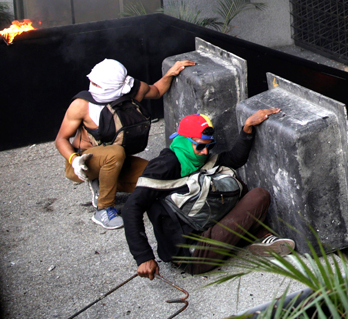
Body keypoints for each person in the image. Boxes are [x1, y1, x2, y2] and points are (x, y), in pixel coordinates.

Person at [124, 111, 295, 278]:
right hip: (193, 254)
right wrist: (144, 257)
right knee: (259, 196)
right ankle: (258, 235)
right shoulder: (164, 166)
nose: (205, 152)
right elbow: (131, 208)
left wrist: (247, 128)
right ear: (183, 142)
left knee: (232, 182)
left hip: (204, 230)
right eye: (199, 146)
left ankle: (260, 237)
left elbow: (234, 159)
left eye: (209, 146)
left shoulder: (198, 159)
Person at [55, 58, 196, 229]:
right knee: (115, 153)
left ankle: (104, 183)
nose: (92, 87)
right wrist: (74, 160)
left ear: (119, 86)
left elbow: (157, 90)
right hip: (84, 163)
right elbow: (61, 138)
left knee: (161, 177)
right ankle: (104, 208)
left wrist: (170, 73)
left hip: (117, 162)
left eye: (98, 85)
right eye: (92, 82)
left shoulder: (133, 90)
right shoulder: (81, 105)